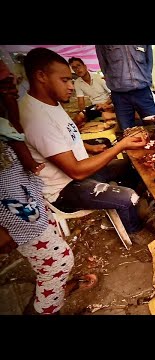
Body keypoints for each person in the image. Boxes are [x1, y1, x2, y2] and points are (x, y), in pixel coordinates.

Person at [18, 48, 149, 243]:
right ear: (41, 76)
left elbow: (64, 139)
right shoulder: (36, 117)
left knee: (131, 166)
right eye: (65, 80)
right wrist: (120, 146)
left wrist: (90, 148)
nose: (71, 86)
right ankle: (134, 229)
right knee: (128, 196)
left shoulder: (50, 103)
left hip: (79, 172)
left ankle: (121, 205)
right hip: (63, 189)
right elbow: (76, 172)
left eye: (71, 80)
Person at [0, 63, 81, 315]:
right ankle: (45, 307)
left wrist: (7, 103)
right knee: (58, 262)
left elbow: (17, 136)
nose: (12, 83)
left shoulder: (7, 118)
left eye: (10, 78)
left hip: (29, 197)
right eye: (3, 81)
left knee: (53, 249)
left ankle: (52, 291)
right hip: (16, 208)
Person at [95, 45, 155, 130]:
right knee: (127, 131)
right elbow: (104, 65)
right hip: (120, 96)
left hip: (143, 91)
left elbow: (149, 61)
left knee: (154, 126)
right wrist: (116, 83)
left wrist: (145, 79)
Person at [67, 57, 115, 125]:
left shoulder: (98, 78)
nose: (77, 69)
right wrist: (84, 114)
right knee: (78, 118)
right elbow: (81, 102)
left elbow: (113, 94)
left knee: (107, 113)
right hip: (96, 106)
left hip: (108, 104)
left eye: (79, 65)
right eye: (74, 68)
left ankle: (110, 116)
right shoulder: (77, 83)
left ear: (85, 66)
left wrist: (105, 104)